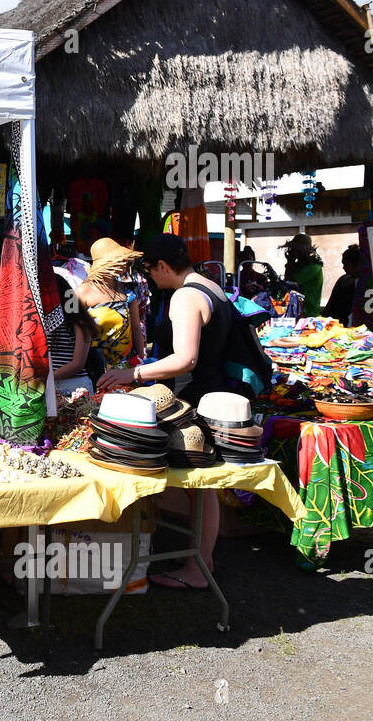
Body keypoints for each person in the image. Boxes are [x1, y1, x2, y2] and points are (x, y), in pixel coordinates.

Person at [97, 234, 241, 589]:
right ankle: (199, 557)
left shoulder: (185, 296)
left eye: (150, 271)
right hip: (216, 394)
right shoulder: (211, 286)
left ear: (163, 266)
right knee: (202, 486)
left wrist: (134, 373)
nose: (149, 279)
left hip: (198, 398)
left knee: (203, 485)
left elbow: (185, 358)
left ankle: (199, 568)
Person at [77, 237, 145, 368]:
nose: (124, 264)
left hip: (125, 366)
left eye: (124, 260)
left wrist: (141, 359)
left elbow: (136, 328)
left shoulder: (128, 291)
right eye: (119, 261)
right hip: (93, 366)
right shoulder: (81, 291)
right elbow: (71, 329)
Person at [49, 272, 99, 395]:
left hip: (75, 387)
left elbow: (77, 364)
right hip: (52, 385)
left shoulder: (80, 323)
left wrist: (47, 379)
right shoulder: (44, 322)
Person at [321, 244, 363, 326]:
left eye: (345, 264)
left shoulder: (350, 281)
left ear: (357, 264)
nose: (343, 267)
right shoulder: (344, 280)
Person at [282, 233, 323, 316]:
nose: (294, 252)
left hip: (309, 313)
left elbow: (290, 281)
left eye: (296, 249)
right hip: (296, 311)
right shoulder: (297, 266)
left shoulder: (313, 267)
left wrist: (290, 262)